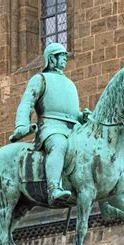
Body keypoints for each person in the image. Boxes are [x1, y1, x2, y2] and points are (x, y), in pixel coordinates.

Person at [9, 43, 91, 205]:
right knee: (59, 145)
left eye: (66, 57)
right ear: (52, 59)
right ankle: (54, 188)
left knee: (93, 151)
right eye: (62, 57)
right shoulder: (40, 79)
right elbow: (27, 103)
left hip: (73, 128)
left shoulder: (69, 83)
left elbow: (72, 112)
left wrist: (83, 117)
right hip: (51, 127)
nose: (65, 60)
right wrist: (21, 125)